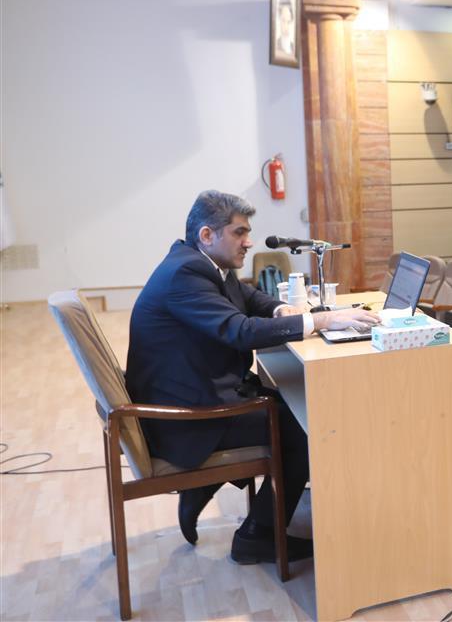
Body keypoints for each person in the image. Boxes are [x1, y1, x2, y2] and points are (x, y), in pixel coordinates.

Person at [125, 191, 381, 563]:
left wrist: (280, 309)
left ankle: (208, 489)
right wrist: (322, 320)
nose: (249, 242)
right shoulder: (185, 274)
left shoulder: (201, 263)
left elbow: (246, 297)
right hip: (186, 420)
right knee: (309, 427)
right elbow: (240, 331)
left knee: (295, 405)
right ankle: (258, 536)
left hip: (197, 392)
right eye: (239, 232)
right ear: (207, 235)